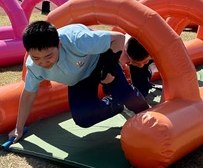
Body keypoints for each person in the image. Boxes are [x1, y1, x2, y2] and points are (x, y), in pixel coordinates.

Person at [8, 21, 150, 142]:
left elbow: (118, 39)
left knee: (126, 95)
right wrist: (18, 128)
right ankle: (117, 104)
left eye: (48, 56)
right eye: (36, 58)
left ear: (59, 44)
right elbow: (28, 94)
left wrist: (107, 70)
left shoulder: (78, 40)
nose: (44, 62)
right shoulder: (33, 67)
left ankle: (149, 114)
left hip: (100, 61)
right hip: (79, 79)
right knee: (83, 119)